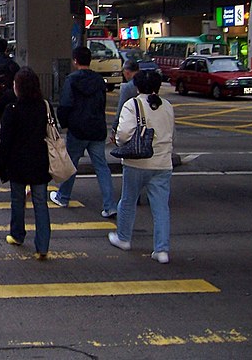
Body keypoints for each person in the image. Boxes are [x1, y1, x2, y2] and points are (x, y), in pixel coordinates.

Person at [108, 70, 175, 264]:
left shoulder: (132, 105)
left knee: (128, 200)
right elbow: (171, 133)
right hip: (162, 163)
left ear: (137, 86)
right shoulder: (167, 106)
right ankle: (162, 250)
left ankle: (123, 238)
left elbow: (123, 135)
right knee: (161, 207)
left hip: (137, 162)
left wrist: (119, 142)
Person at [51, 46, 117, 218]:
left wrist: (64, 124)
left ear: (75, 61)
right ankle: (110, 205)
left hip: (78, 129)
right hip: (96, 128)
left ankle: (63, 196)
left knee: (71, 164)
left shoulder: (71, 80)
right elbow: (102, 104)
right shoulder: (99, 81)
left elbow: (65, 105)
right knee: (102, 167)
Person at [0, 67, 51, 260]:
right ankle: (42, 245)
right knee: (40, 203)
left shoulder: (12, 109)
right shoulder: (44, 106)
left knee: (18, 200)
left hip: (17, 162)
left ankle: (17, 235)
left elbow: (5, 139)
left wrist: (2, 165)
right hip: (40, 160)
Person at [111, 59, 140, 143]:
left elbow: (120, 108)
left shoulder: (127, 87)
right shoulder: (145, 81)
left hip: (131, 123)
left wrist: (114, 128)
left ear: (127, 72)